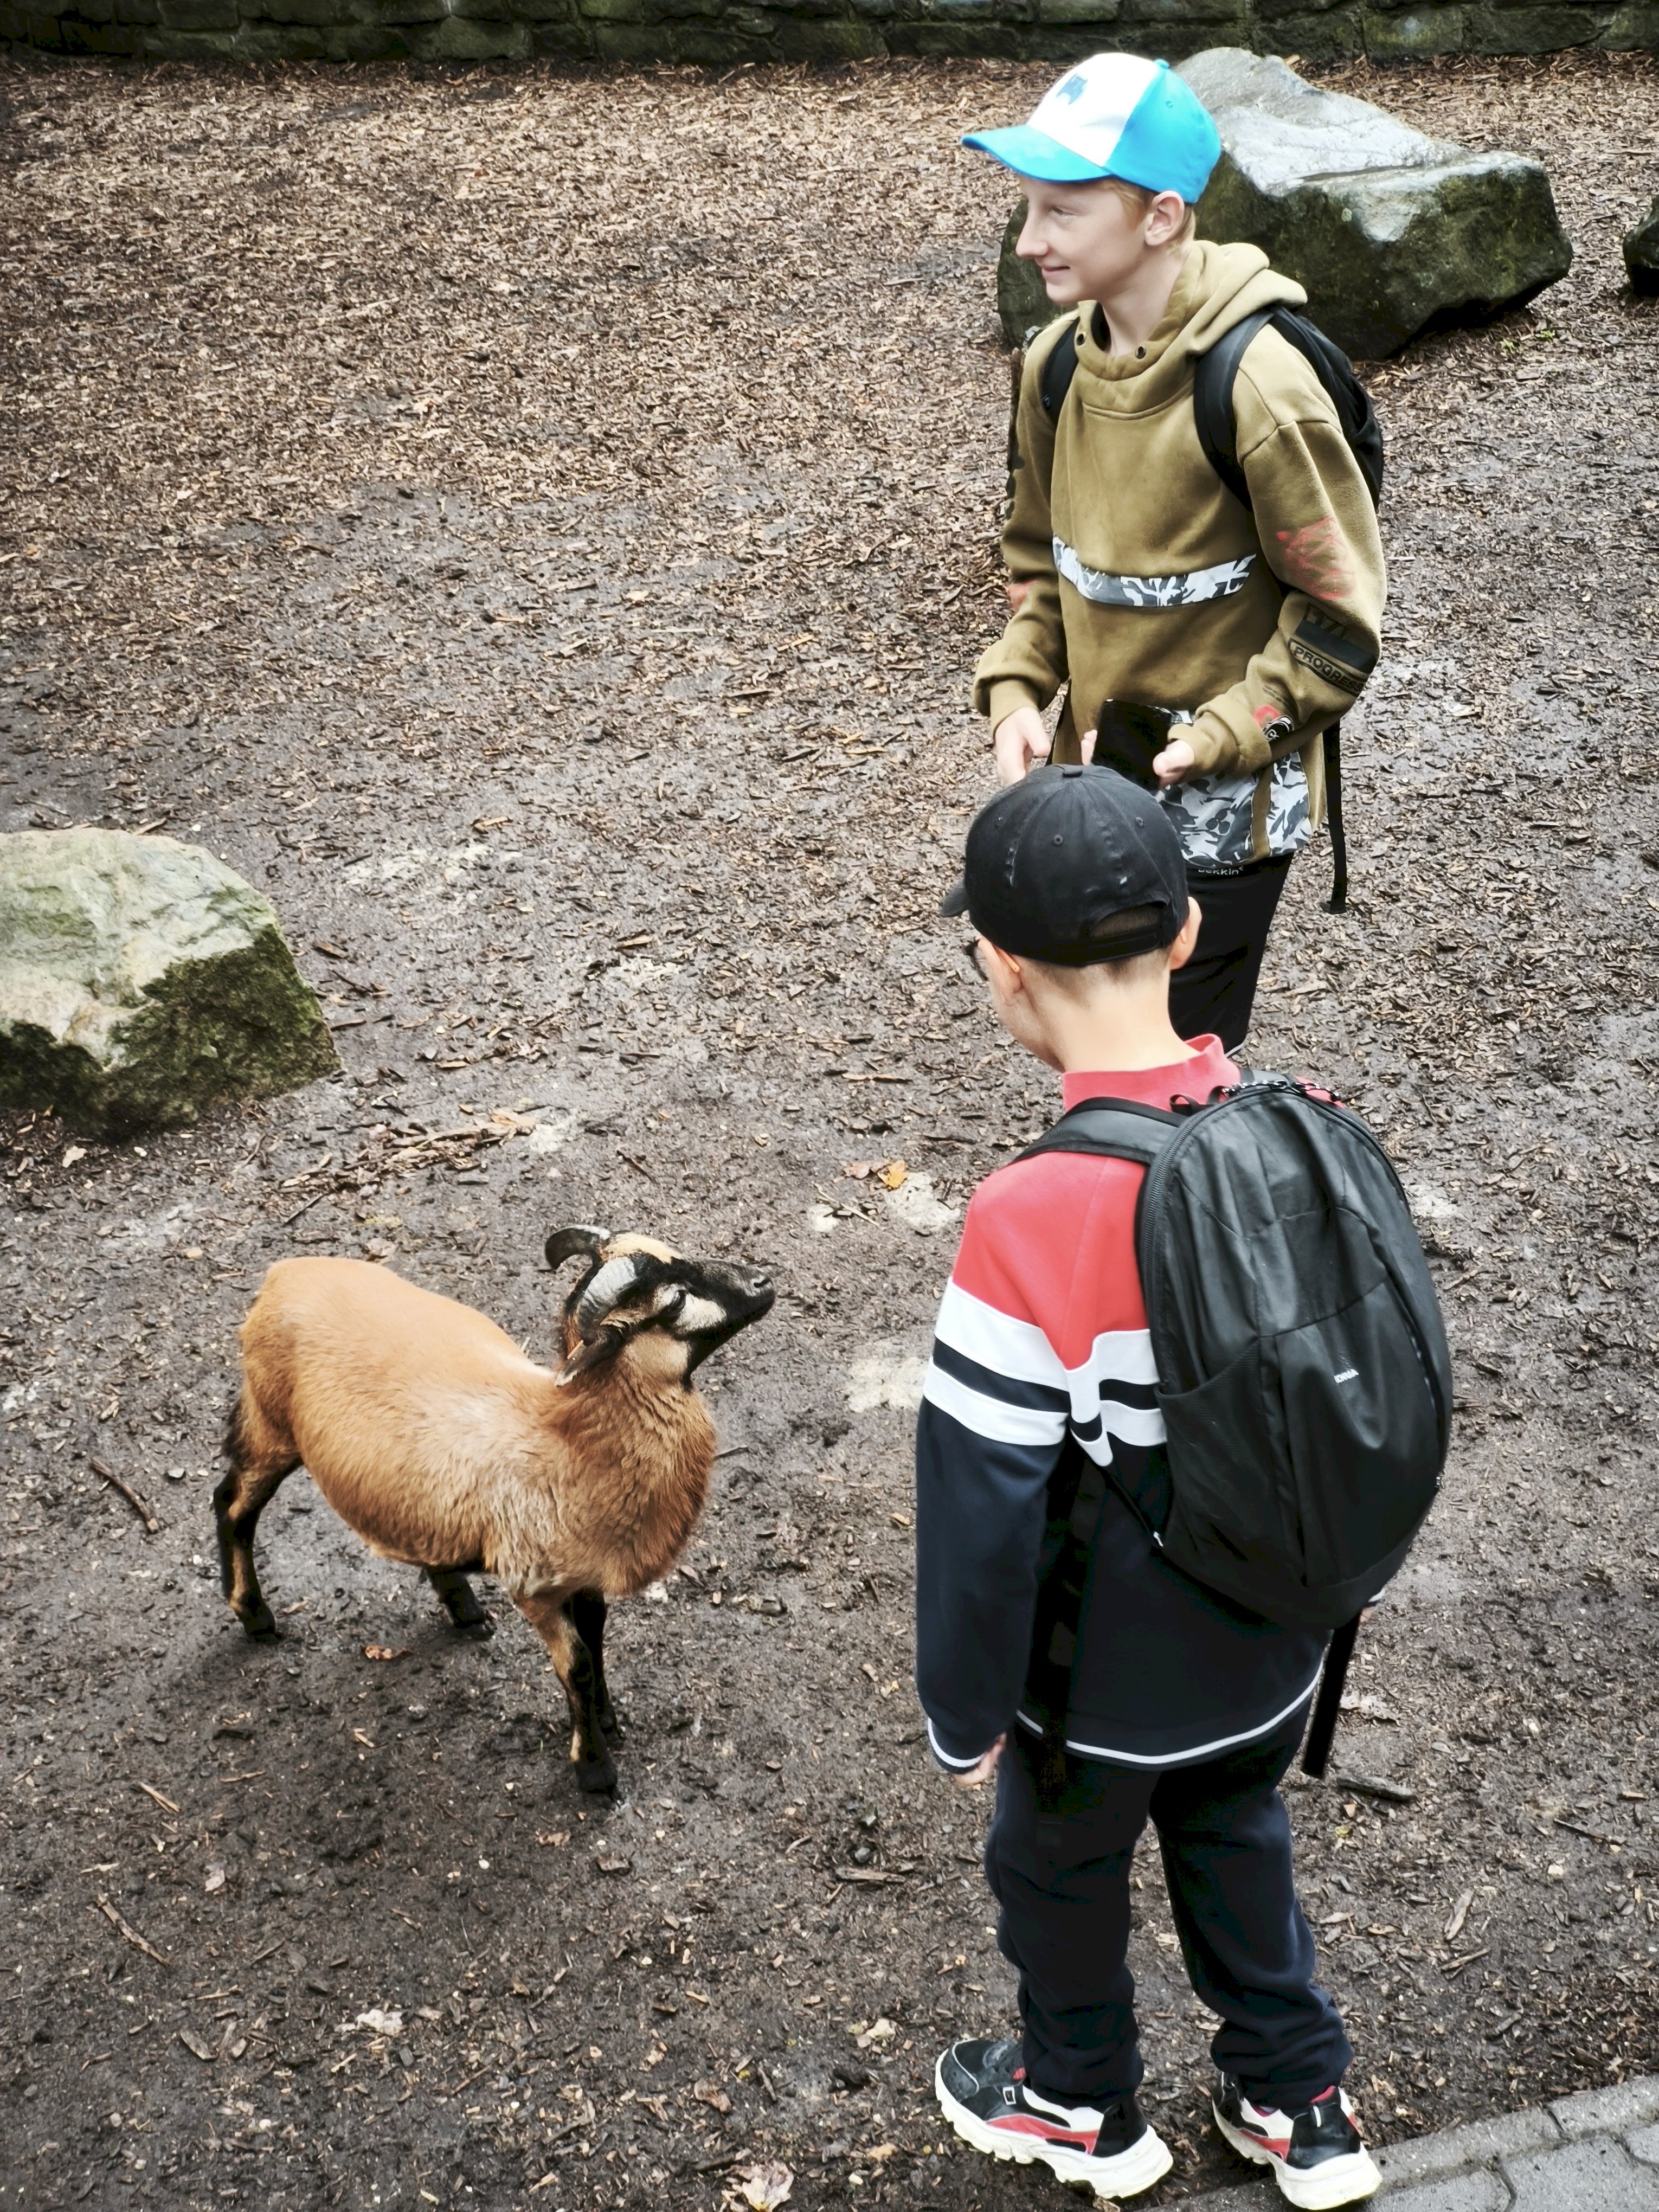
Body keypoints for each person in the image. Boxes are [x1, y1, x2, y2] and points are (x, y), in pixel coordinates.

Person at [915, 764, 1380, 2208]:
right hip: (1275, 1640)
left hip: (1097, 1687)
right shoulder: (1301, 1127)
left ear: (1001, 970)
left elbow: (982, 1507)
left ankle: (1079, 2102)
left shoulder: (1026, 1214)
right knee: (1235, 1836)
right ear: (1187, 934)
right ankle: (1299, 2102)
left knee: (1054, 1873)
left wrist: (964, 1709)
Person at [962, 53, 1386, 1052]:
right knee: (1093, 1042)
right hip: (1094, 789)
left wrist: (1219, 737)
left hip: (1224, 806)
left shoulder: (1261, 388)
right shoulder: (1053, 366)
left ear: (1159, 217)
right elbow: (1042, 562)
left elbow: (1338, 623)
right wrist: (1019, 689)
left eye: (1062, 211)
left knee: (1177, 1053)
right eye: (1028, 207)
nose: (1028, 241)